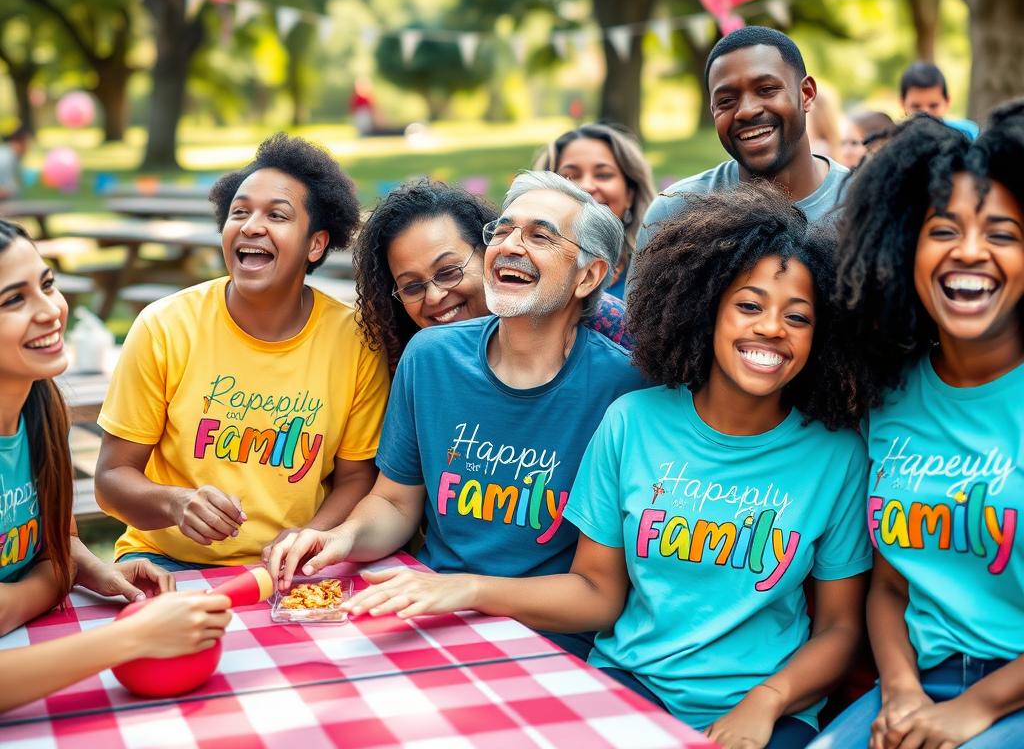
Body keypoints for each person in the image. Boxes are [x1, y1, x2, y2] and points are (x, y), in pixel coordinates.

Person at [329, 186, 875, 749]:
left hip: (765, 708)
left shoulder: (836, 457)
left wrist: (770, 701)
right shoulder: (633, 420)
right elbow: (599, 586)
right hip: (624, 682)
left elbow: (839, 627)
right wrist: (356, 543)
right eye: (749, 306)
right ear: (706, 307)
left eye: (799, 316)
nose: (770, 328)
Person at [268, 172, 647, 656]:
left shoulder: (624, 392)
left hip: (543, 644)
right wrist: (341, 538)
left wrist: (469, 590)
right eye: (503, 231)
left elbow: (598, 596)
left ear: (588, 276)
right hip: (426, 614)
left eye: (540, 235)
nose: (510, 245)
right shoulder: (428, 357)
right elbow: (395, 504)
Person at [812, 107, 1024, 747]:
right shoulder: (888, 395)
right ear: (903, 245)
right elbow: (890, 586)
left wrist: (975, 709)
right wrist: (901, 690)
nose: (968, 252)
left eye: (1003, 234)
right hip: (916, 683)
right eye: (943, 230)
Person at [94, 134, 390, 571]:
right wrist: (176, 504)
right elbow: (111, 479)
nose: (251, 226)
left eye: (277, 215)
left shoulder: (356, 342)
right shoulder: (164, 327)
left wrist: (312, 535)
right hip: (165, 560)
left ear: (316, 244)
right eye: (239, 212)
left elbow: (355, 478)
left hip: (293, 563)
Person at [0, 218, 231, 712]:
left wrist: (92, 572)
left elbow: (56, 547)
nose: (50, 311)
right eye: (13, 300)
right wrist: (131, 639)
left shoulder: (40, 409)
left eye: (46, 285)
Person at [353, 179, 631, 374]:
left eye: (449, 272)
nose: (435, 295)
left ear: (488, 251)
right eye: (412, 287)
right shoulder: (407, 359)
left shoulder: (610, 330)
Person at [636, 27, 848, 269]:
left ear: (806, 94)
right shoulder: (674, 214)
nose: (747, 110)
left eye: (766, 90)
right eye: (726, 101)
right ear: (713, 110)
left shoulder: (864, 205)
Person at [533, 123, 656, 298]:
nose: (586, 187)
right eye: (570, 176)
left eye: (603, 175)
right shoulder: (525, 265)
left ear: (630, 193)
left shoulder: (657, 271)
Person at [899, 61, 979, 139]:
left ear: (947, 102)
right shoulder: (894, 140)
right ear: (902, 103)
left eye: (933, 106)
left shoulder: (966, 134)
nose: (926, 114)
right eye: (916, 106)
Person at [0, 125, 30, 200]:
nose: (28, 148)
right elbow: (6, 190)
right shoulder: (6, 159)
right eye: (27, 143)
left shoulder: (13, 157)